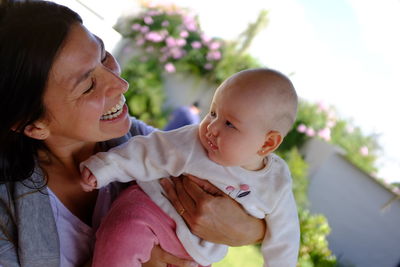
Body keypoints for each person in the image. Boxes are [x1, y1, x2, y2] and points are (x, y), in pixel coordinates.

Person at [0, 1, 266, 267]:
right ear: (34, 125)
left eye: (103, 56)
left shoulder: (146, 145)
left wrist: (252, 230)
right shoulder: (6, 213)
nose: (120, 83)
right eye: (89, 85)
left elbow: (243, 184)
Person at [81, 68, 300, 267]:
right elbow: (150, 150)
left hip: (198, 251)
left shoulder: (276, 184)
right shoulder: (192, 141)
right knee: (122, 237)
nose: (212, 128)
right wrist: (105, 167)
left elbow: (285, 237)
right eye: (213, 113)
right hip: (150, 211)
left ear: (267, 143)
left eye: (229, 124)